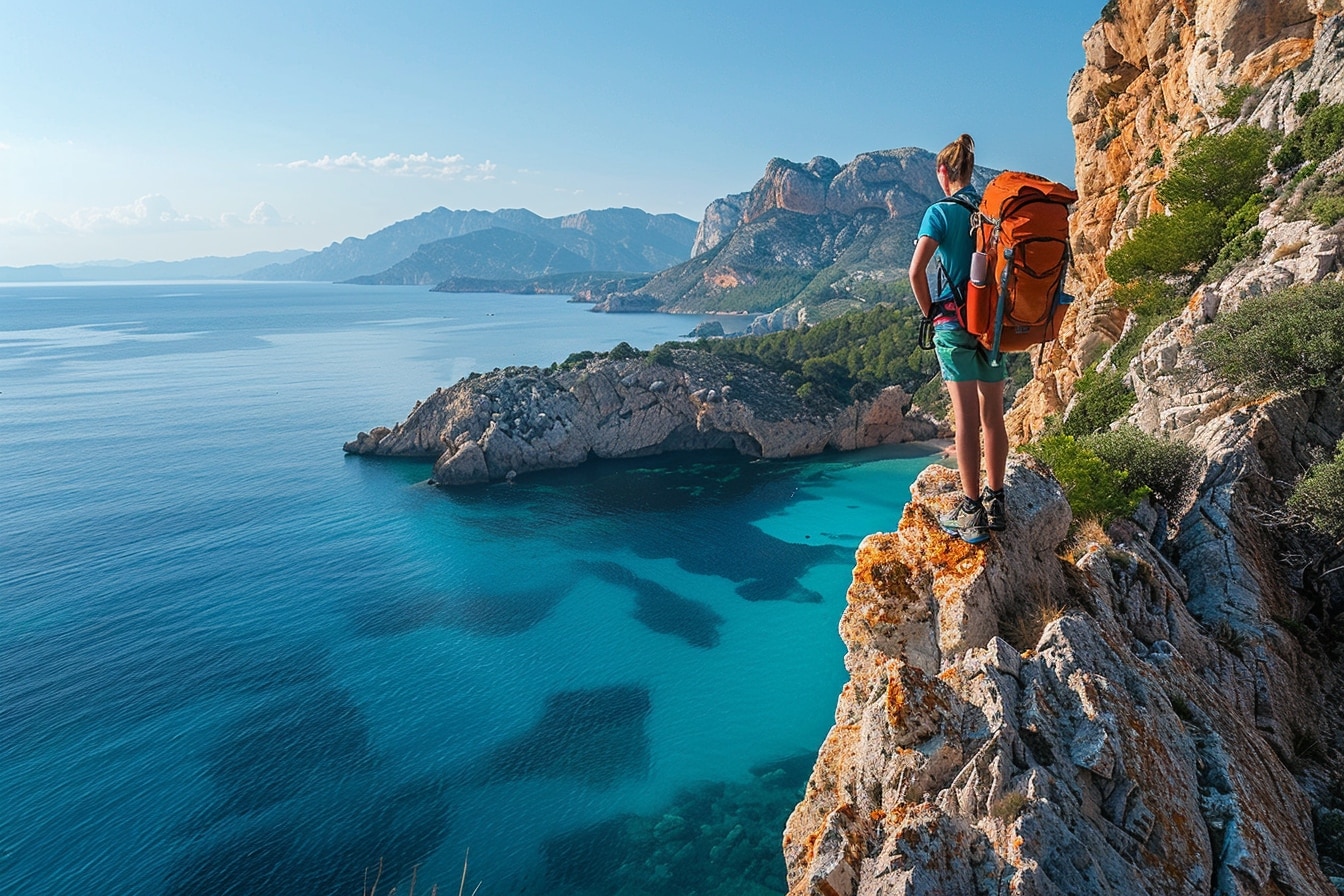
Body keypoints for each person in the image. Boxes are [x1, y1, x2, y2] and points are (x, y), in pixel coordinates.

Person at [908, 134, 1007, 545]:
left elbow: (916, 272)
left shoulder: (939, 213)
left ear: (943, 172)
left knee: (965, 418)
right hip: (993, 326)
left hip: (953, 324)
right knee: (993, 415)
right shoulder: (987, 212)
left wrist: (931, 312)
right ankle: (996, 502)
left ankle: (971, 511)